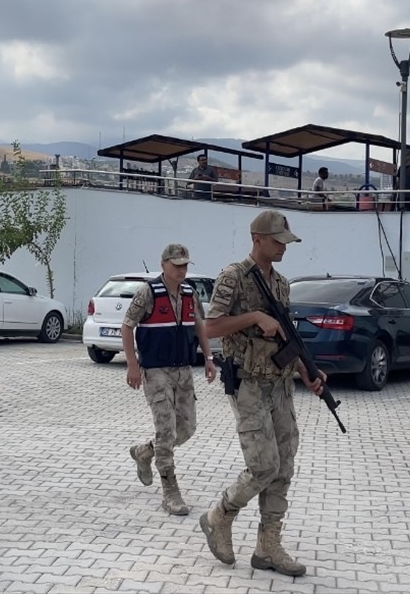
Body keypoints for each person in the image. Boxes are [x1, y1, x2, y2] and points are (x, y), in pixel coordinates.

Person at [198, 210, 326, 578]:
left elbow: (285, 337)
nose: (284, 248)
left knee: (284, 465)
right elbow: (211, 326)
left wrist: (308, 373)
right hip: (249, 384)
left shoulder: (282, 283)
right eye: (277, 241)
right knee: (263, 465)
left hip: (281, 384)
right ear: (257, 239)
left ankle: (268, 546)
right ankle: (219, 515)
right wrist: (254, 317)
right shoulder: (233, 277)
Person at [122, 243, 217, 516]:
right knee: (166, 431)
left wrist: (209, 358)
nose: (182, 270)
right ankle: (170, 492)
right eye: (177, 265)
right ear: (164, 264)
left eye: (185, 265)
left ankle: (144, 452)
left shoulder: (190, 292)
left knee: (185, 429)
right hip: (156, 372)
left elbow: (200, 324)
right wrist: (132, 364)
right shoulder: (148, 292)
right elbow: (127, 326)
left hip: (184, 370)